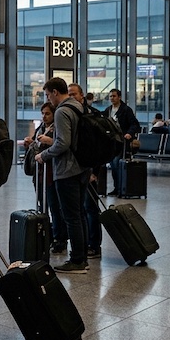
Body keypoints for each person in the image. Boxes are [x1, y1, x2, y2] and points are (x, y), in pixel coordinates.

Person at [36, 78, 91, 274]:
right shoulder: (80, 107)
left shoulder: (62, 111)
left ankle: (77, 260)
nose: (48, 99)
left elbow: (62, 143)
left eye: (48, 95)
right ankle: (82, 256)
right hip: (83, 167)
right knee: (80, 214)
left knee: (71, 217)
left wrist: (43, 155)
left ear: (55, 92)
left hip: (67, 170)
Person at [23, 102, 67, 253]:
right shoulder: (41, 127)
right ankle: (46, 236)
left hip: (52, 173)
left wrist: (49, 142)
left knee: (55, 206)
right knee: (42, 206)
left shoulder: (58, 128)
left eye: (47, 113)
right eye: (42, 113)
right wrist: (30, 143)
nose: (44, 116)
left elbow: (61, 146)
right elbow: (37, 145)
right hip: (40, 173)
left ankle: (59, 238)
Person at [68, 83, 103, 259]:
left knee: (90, 208)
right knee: (80, 209)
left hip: (90, 170)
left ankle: (94, 245)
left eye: (74, 94)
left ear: (82, 95)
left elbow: (96, 147)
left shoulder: (90, 116)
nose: (71, 97)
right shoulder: (73, 114)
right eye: (69, 94)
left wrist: (94, 171)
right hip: (78, 170)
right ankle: (83, 244)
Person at [105, 89, 141, 197]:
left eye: (114, 96)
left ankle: (121, 188)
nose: (112, 98)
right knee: (113, 164)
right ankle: (117, 187)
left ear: (119, 97)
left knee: (117, 164)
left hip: (122, 142)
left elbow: (134, 124)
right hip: (112, 142)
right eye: (110, 96)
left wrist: (129, 133)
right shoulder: (108, 110)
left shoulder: (126, 110)